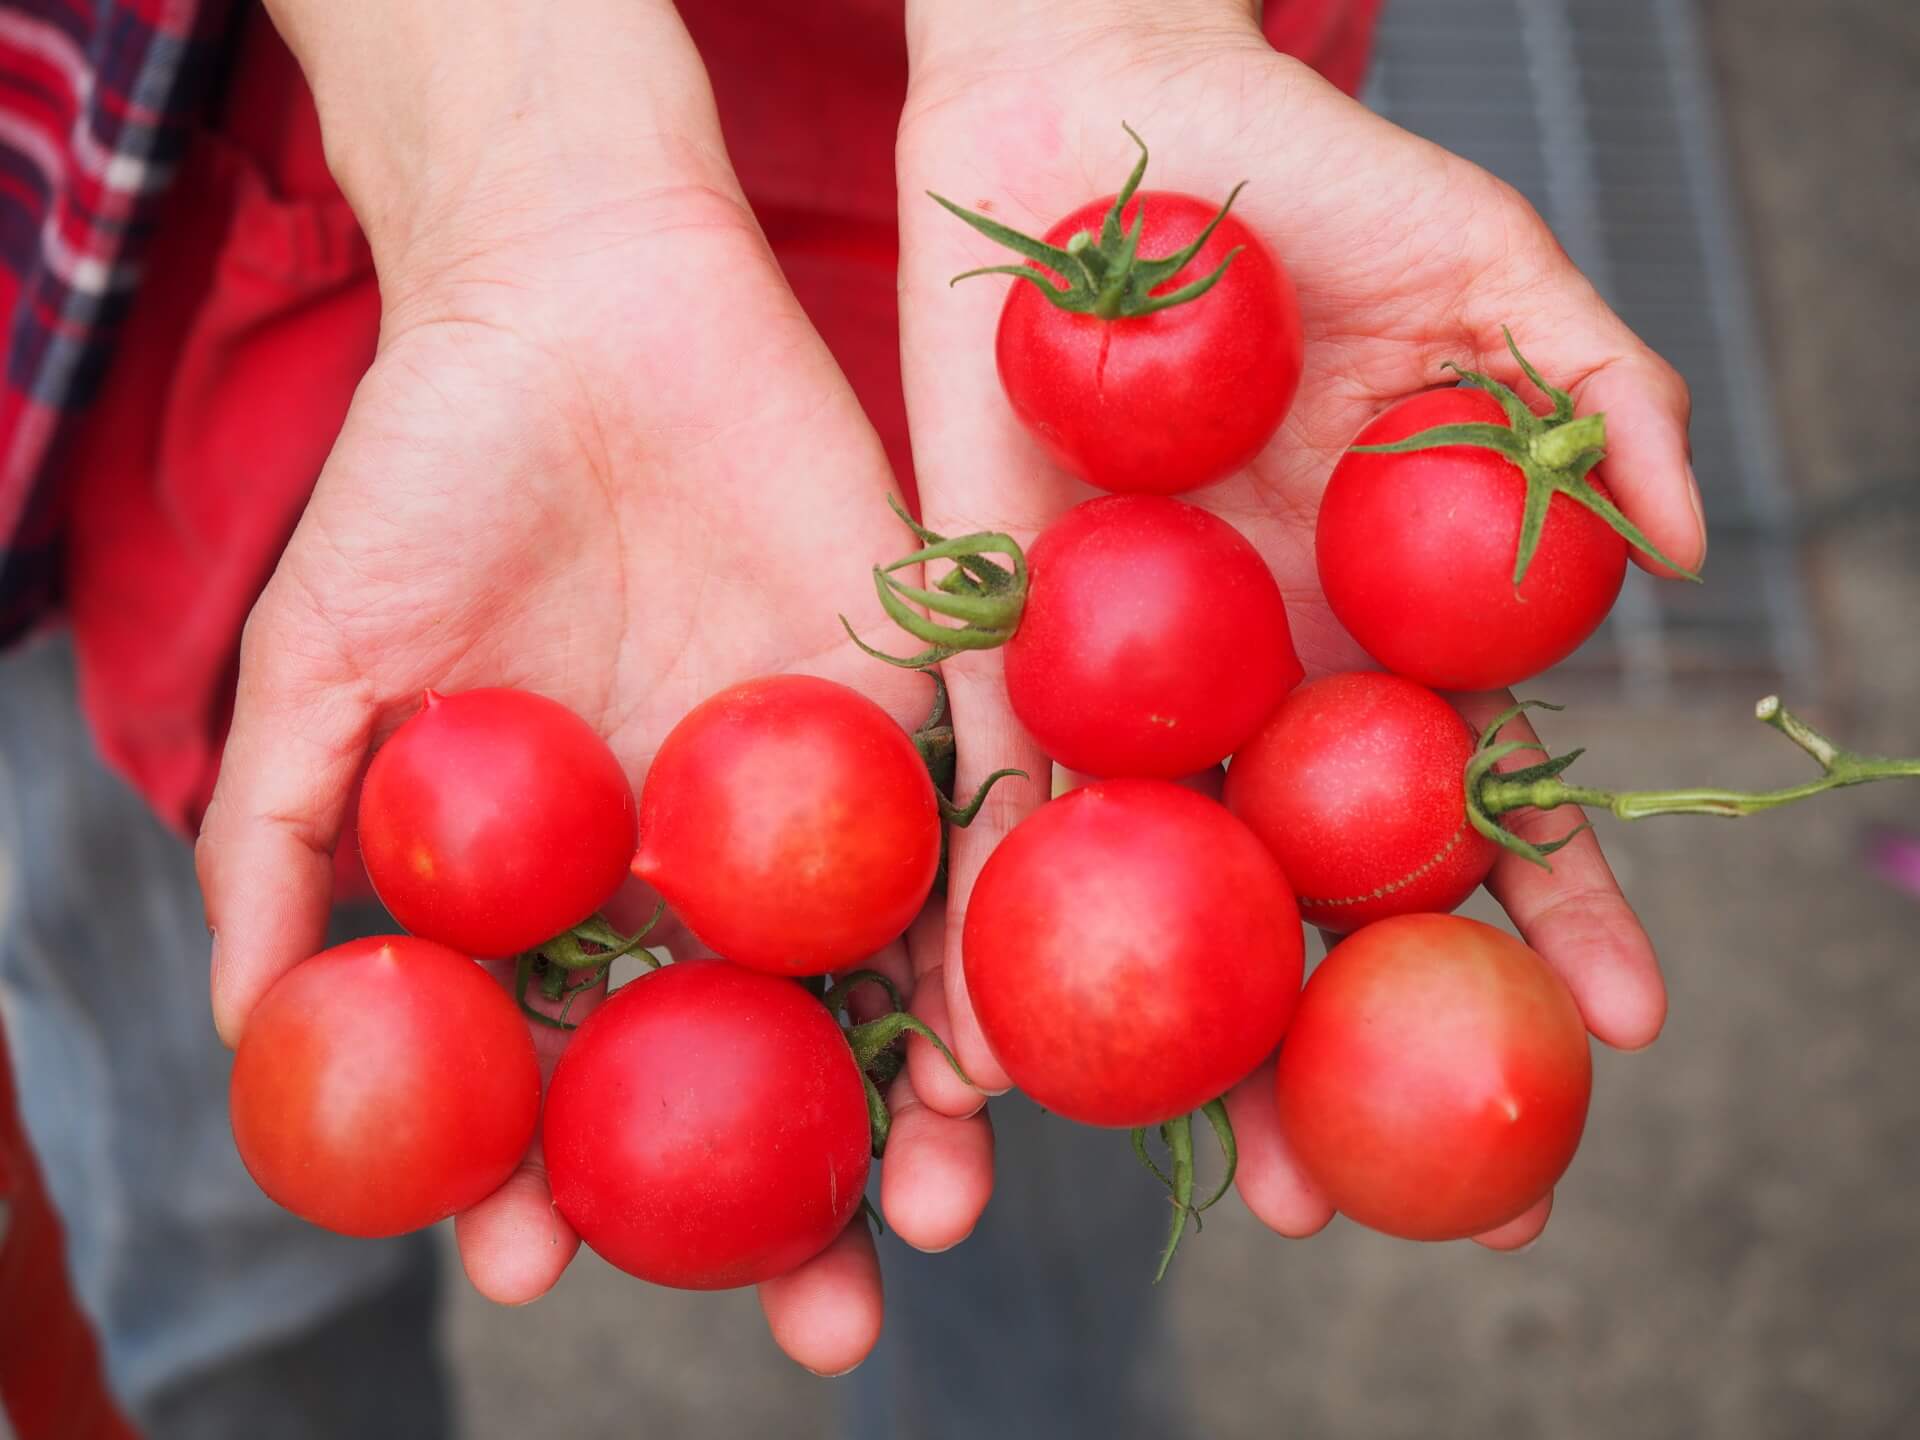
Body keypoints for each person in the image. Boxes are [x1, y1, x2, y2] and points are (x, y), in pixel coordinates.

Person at [0, 0, 1707, 1429]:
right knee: (220, 1269)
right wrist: (508, 174)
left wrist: (1091, 32)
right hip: (263, 231)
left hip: (1018, 382)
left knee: (1025, 1178)